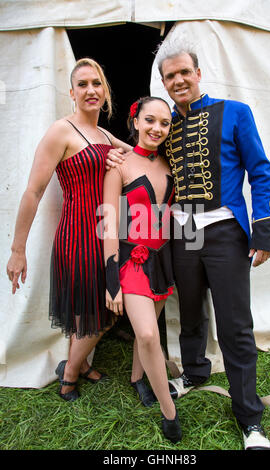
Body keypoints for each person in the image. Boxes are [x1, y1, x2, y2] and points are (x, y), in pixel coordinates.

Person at [106, 46, 270, 450]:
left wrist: (264, 231)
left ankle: (250, 420)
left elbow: (261, 170)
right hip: (182, 234)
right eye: (170, 77)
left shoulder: (235, 112)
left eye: (185, 72)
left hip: (222, 232)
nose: (179, 81)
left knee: (235, 325)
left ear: (198, 73)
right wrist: (123, 151)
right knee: (189, 311)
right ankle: (196, 371)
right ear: (163, 83)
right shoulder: (167, 126)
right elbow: (146, 153)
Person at [6, 58, 131, 401]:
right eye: (83, 84)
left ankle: (79, 363)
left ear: (105, 91)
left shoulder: (105, 134)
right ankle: (70, 376)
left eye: (97, 83)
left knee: (97, 310)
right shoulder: (61, 130)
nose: (91, 90)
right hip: (76, 235)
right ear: (72, 93)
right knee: (97, 311)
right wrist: (18, 250)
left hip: (105, 233)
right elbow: (33, 191)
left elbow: (138, 157)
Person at [103, 96, 182, 444]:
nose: (157, 129)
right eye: (150, 120)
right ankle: (170, 412)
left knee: (144, 330)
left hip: (164, 259)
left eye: (164, 123)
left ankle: (138, 378)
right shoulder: (118, 166)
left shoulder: (170, 164)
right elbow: (107, 224)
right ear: (136, 121)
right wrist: (111, 282)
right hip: (130, 261)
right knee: (150, 335)